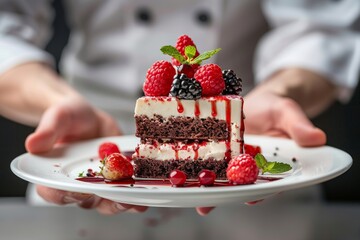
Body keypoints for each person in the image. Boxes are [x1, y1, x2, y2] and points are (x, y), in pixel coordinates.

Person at [0, 0, 359, 217]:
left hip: (255, 166)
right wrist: (55, 101)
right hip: (88, 126)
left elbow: (321, 29)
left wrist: (281, 91)